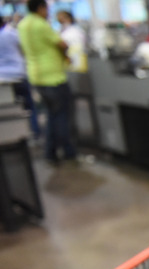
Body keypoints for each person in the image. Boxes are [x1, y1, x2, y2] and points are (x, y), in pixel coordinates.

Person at [18, 0, 76, 164]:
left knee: (51, 115)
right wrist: (66, 56)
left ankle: (50, 152)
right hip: (53, 77)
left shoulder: (22, 25)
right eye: (46, 9)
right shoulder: (41, 25)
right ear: (40, 8)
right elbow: (61, 44)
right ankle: (68, 151)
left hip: (36, 76)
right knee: (62, 116)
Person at [0, 16, 41, 141]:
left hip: (3, 79)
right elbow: (24, 49)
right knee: (29, 106)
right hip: (19, 74)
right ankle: (34, 134)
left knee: (9, 111)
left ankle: (15, 136)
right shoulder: (11, 33)